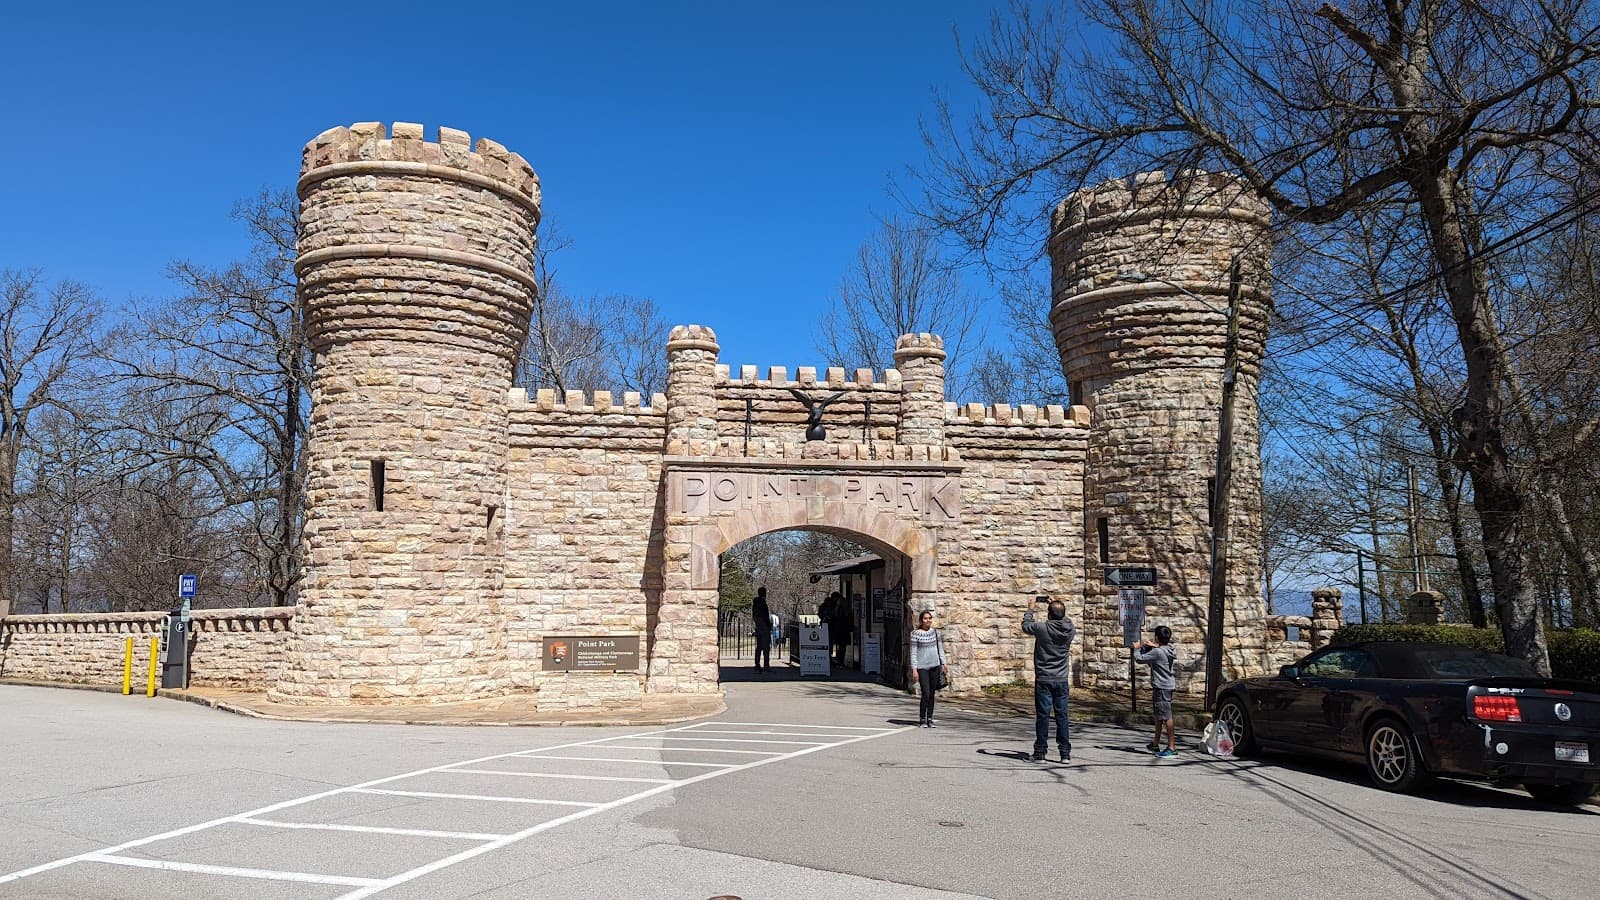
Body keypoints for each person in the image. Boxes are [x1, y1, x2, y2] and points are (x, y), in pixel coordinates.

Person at [1023, 596, 1077, 762]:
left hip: (1044, 678)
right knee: (1062, 716)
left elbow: (1025, 626)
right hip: (1061, 679)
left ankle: (1040, 752)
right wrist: (1056, 604)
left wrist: (1030, 609)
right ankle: (1065, 753)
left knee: (1043, 716)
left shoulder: (1042, 628)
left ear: (1049, 614)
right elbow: (1064, 619)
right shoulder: (1070, 629)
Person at [1131, 624, 1178, 757]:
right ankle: (1155, 744)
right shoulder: (1169, 649)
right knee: (1159, 715)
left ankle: (1171, 747)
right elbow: (1160, 650)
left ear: (1157, 637)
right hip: (1167, 685)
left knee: (1166, 717)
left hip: (1162, 687)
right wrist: (1153, 645)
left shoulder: (1157, 652)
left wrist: (1137, 648)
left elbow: (1140, 659)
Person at [908, 610, 948, 727]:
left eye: (930, 618)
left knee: (932, 694)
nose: (928, 620)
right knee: (925, 692)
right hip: (922, 667)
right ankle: (922, 718)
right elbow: (913, 653)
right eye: (925, 618)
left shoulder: (935, 633)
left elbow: (940, 649)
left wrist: (944, 663)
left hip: (935, 666)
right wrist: (914, 669)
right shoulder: (915, 634)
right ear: (921, 620)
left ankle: (929, 718)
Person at [751, 587, 773, 672]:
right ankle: (766, 666)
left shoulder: (755, 604)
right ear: (764, 594)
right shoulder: (763, 604)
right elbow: (766, 617)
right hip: (764, 629)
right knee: (766, 648)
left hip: (758, 628)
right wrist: (768, 626)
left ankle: (757, 665)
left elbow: (755, 616)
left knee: (759, 647)